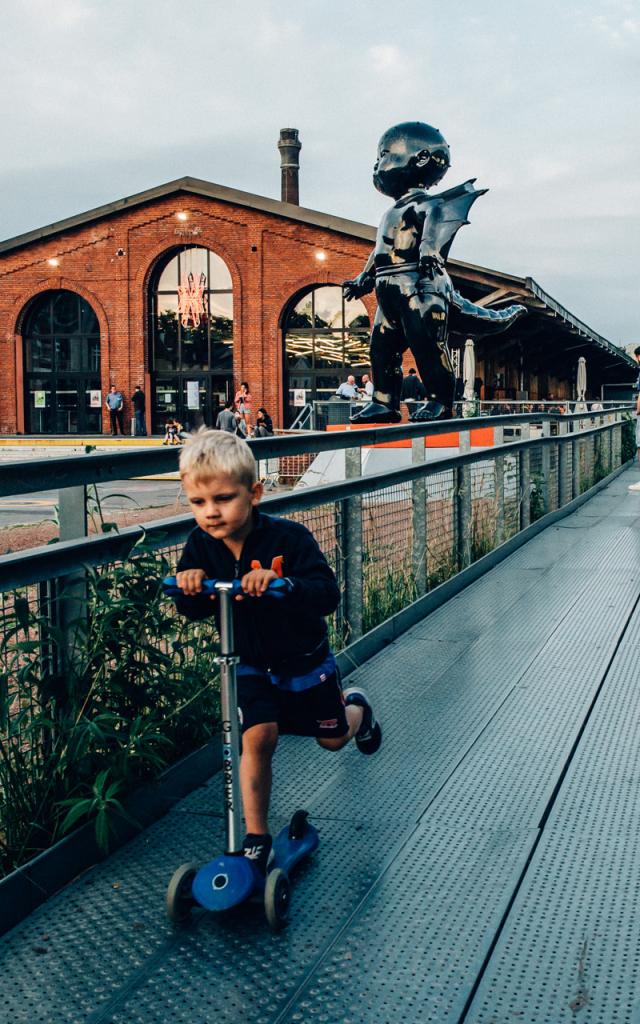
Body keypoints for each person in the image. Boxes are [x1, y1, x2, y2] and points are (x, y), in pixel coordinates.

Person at [171, 430, 382, 874]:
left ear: (255, 493)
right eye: (198, 503)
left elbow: (327, 594)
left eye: (224, 499)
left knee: (331, 739)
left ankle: (358, 710)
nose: (210, 513)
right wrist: (190, 585)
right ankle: (255, 837)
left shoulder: (289, 538)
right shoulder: (199, 547)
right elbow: (189, 607)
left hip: (304, 661)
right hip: (246, 663)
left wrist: (283, 584)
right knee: (257, 737)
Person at [343, 121, 526, 424]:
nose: (378, 165)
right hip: (389, 288)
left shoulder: (429, 204)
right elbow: (381, 252)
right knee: (381, 347)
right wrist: (364, 278)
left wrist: (428, 250)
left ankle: (441, 400)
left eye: (385, 155)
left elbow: (431, 233)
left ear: (421, 159)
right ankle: (385, 401)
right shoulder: (390, 212)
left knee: (426, 346)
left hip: (420, 287)